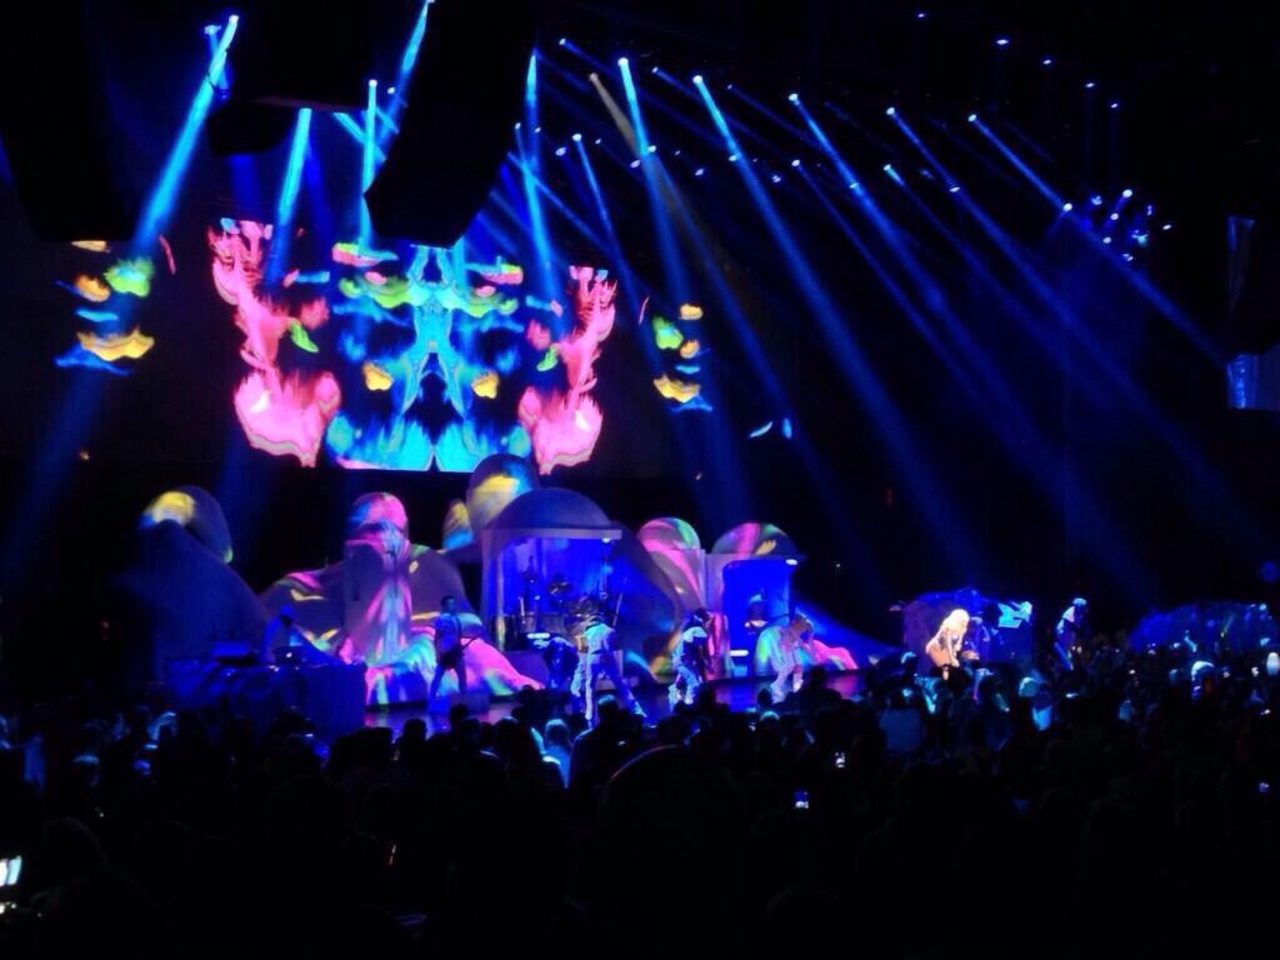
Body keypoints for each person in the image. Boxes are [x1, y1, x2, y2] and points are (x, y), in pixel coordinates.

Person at [570, 614, 645, 725]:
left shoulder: (587, 632)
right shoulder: (609, 630)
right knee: (620, 683)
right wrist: (610, 663)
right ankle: (636, 709)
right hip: (606, 656)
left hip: (593, 657)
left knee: (590, 686)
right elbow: (609, 647)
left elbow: (584, 650)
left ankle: (590, 715)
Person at [760, 612, 815, 704]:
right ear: (797, 621)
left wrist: (812, 652)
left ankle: (797, 686)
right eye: (803, 619)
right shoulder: (791, 627)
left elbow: (809, 640)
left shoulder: (807, 626)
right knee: (788, 667)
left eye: (805, 619)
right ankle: (776, 685)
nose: (805, 621)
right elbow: (798, 641)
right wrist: (808, 652)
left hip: (793, 646)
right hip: (785, 646)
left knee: (799, 666)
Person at [428, 595, 467, 706]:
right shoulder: (441, 619)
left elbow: (458, 636)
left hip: (456, 652)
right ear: (444, 606)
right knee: (438, 676)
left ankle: (463, 700)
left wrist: (459, 646)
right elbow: (437, 637)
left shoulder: (456, 619)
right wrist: (438, 653)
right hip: (445, 653)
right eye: (450, 604)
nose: (453, 606)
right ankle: (431, 699)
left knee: (462, 676)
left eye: (453, 604)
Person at [669, 609, 712, 708]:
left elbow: (696, 650)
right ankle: (689, 704)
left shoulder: (691, 630)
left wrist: (705, 663)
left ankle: (675, 698)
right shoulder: (698, 631)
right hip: (683, 662)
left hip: (684, 661)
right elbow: (690, 641)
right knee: (694, 684)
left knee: (683, 681)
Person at [1055, 597, 1090, 668]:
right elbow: (1070, 624)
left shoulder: (1079, 613)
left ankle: (1070, 664)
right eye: (1083, 607)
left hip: (1069, 635)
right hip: (1063, 633)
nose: (1084, 609)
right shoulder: (1071, 612)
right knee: (1066, 651)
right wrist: (1079, 632)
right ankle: (1066, 666)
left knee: (1071, 650)